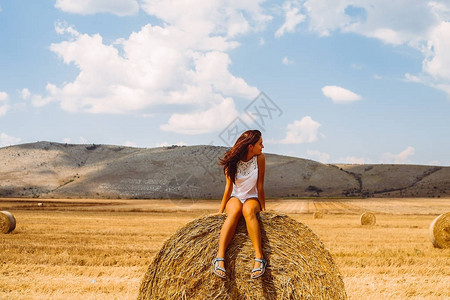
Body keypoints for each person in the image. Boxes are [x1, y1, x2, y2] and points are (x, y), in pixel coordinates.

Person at [212, 129, 267, 279]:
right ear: (251, 146)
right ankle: (220, 258)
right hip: (236, 196)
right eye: (260, 144)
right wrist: (220, 211)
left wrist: (264, 210)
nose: (262, 147)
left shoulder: (260, 159)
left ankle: (259, 258)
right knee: (235, 211)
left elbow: (260, 186)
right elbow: (228, 188)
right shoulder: (232, 161)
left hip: (252, 197)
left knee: (248, 211)